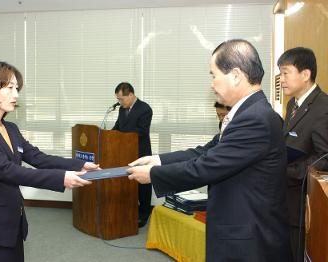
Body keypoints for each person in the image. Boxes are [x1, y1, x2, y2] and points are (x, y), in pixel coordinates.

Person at [127, 39, 292, 261]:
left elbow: (206, 167)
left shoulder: (256, 119)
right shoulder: (247, 113)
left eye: (213, 75)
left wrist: (153, 175)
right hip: (240, 230)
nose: (212, 84)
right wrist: (158, 160)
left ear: (235, 75)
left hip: (250, 241)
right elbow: (204, 152)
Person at [0, 60, 98, 262]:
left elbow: (38, 158)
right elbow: (7, 171)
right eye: (10, 88)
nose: (16, 95)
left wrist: (79, 164)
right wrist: (61, 178)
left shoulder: (11, 129)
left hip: (12, 222)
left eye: (17, 88)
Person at [278, 47, 328, 262]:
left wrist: (287, 171)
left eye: (286, 72)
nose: (281, 79)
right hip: (285, 199)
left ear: (305, 74)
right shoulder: (292, 105)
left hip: (304, 201)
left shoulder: (323, 106)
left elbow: (324, 156)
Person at [112, 82, 153, 227]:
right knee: (128, 181)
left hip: (140, 152)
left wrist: (121, 135)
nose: (119, 102)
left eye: (121, 99)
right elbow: (118, 127)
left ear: (130, 95)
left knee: (142, 186)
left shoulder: (145, 109)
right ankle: (129, 210)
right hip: (124, 152)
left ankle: (144, 213)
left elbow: (141, 131)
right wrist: (107, 135)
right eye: (118, 99)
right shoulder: (122, 109)